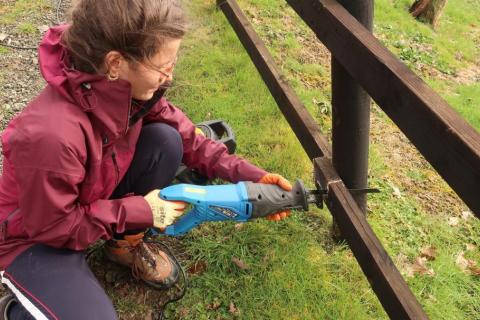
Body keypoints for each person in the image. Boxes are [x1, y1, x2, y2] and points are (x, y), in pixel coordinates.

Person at [0, 0, 292, 319]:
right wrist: (143, 210)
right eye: (163, 66)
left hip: (86, 201)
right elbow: (54, 227)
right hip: (35, 239)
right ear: (115, 63)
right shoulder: (50, 136)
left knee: (165, 141)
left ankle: (121, 247)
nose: (169, 76)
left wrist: (250, 178)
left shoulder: (127, 92)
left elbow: (189, 138)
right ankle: (19, 308)